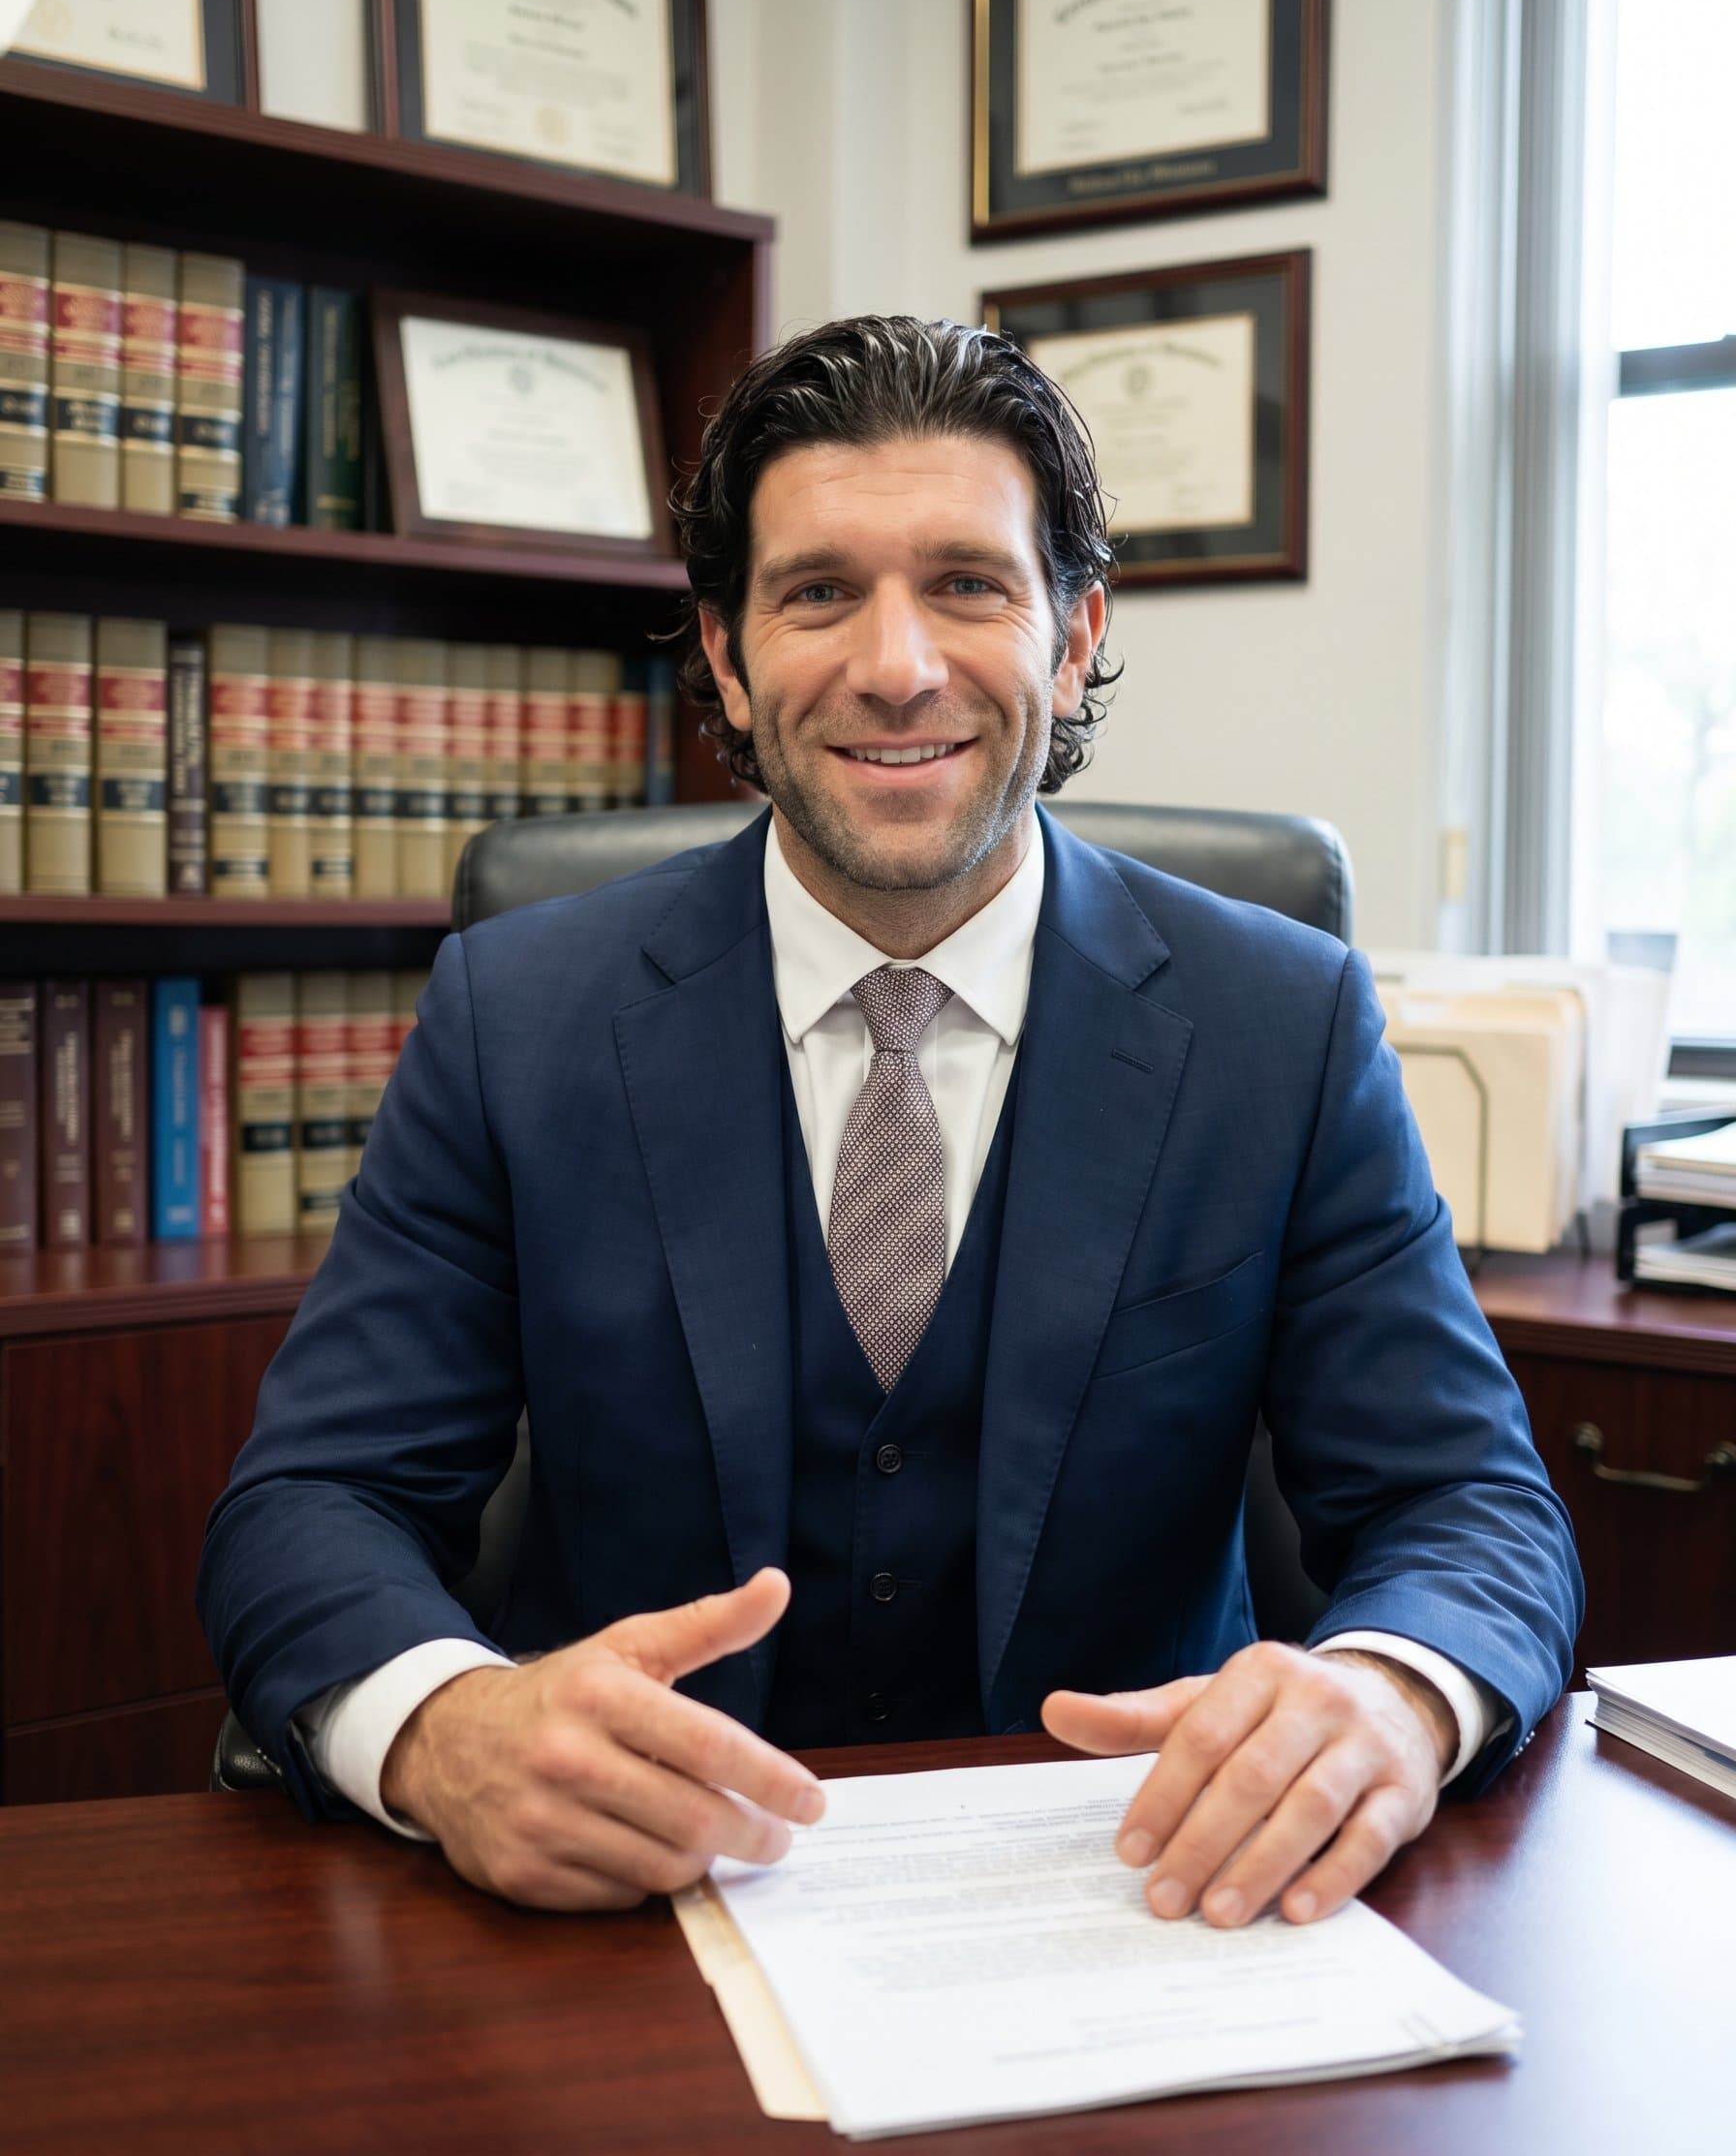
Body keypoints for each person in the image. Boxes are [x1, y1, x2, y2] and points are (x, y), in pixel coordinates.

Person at [199, 315, 1580, 1927]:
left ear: (1072, 637)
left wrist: (1393, 1698)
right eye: (817, 592)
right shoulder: (521, 1017)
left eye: (969, 585)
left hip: (1142, 1897)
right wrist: (440, 1728)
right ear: (724, 652)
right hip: (639, 1912)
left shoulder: (1282, 1023)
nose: (898, 664)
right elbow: (312, 1500)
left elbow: (1465, 1500)